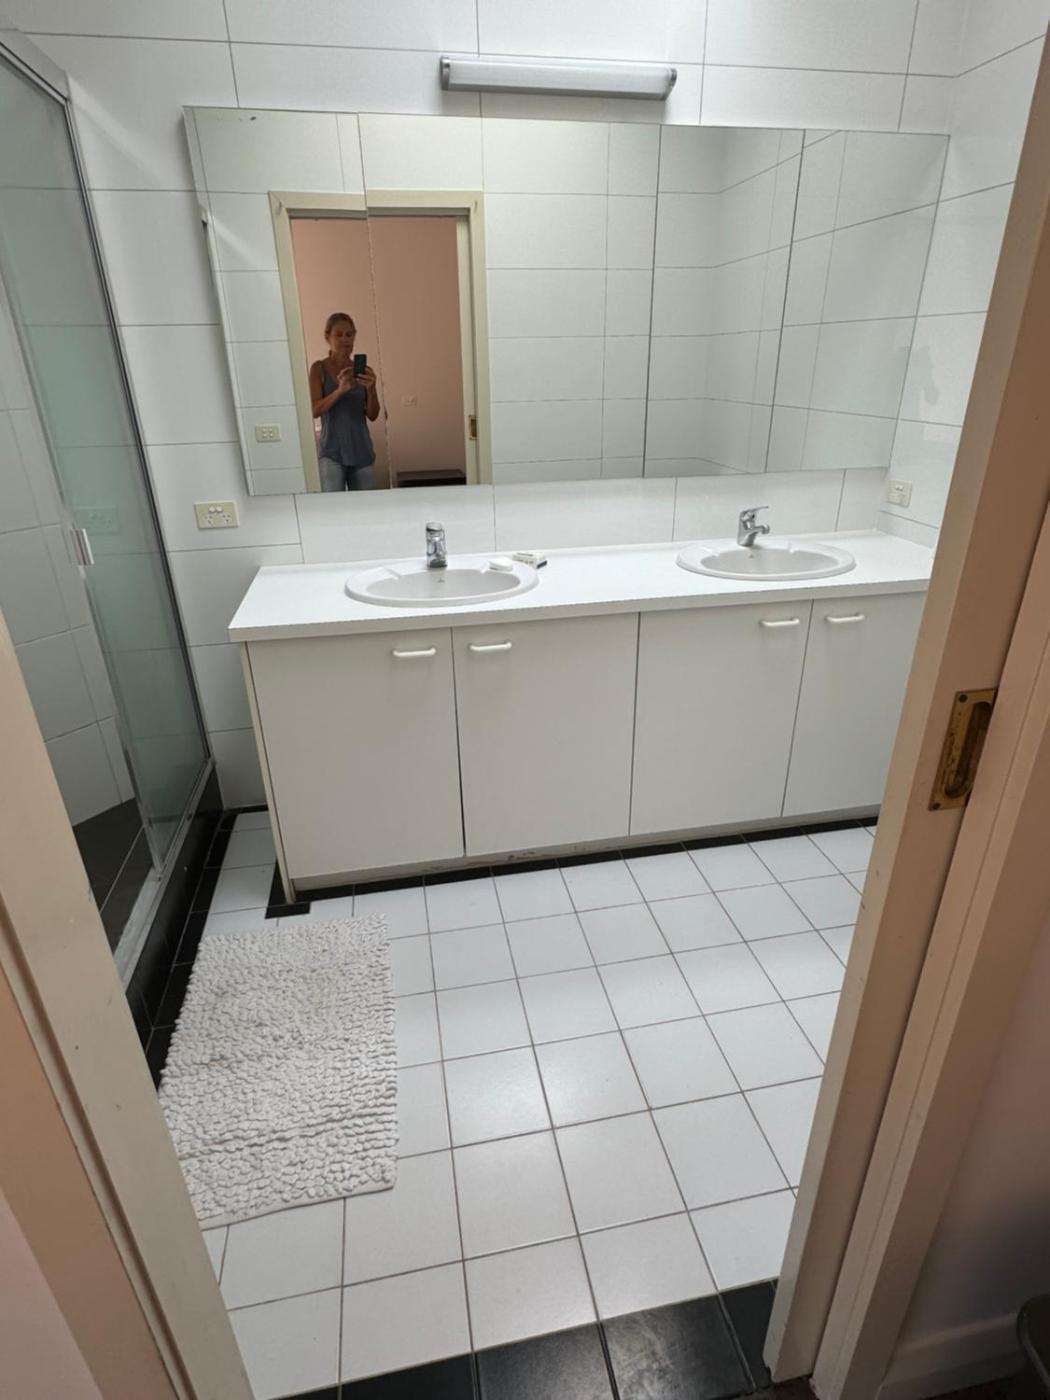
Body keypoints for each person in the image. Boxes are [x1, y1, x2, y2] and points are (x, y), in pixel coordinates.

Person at [309, 312, 381, 491]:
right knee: (334, 505)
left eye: (349, 334)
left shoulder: (364, 371)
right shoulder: (319, 368)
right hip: (331, 451)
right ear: (328, 337)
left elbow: (373, 415)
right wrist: (340, 391)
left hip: (361, 449)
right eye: (338, 334)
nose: (344, 339)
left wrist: (371, 388)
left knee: (364, 505)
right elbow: (314, 410)